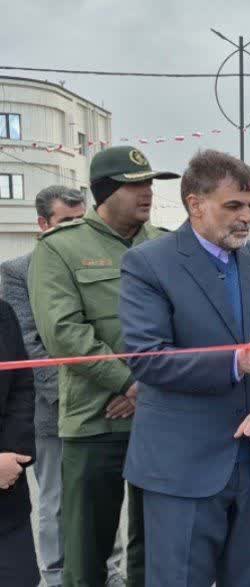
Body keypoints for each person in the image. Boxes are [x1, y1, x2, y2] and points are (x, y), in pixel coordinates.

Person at [119, 149, 250, 585]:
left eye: (249, 205)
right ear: (195, 204)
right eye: (233, 206)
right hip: (182, 468)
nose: (247, 217)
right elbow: (147, 358)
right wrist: (236, 363)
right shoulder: (149, 263)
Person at [30, 146, 179, 587]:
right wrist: (129, 382)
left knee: (155, 544)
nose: (148, 192)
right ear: (105, 191)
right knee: (87, 548)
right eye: (136, 184)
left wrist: (144, 392)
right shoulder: (62, 248)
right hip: (95, 421)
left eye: (150, 183)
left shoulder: (166, 244)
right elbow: (62, 331)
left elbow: (186, 324)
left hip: (159, 417)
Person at [0, 186, 98, 587]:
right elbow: (30, 351)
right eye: (66, 222)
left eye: (82, 221)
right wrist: (82, 392)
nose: (76, 231)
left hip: (103, 406)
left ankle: (104, 571)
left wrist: (110, 391)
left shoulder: (94, 265)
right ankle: (56, 573)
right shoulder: (18, 272)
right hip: (52, 409)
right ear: (43, 225)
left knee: (99, 497)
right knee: (55, 501)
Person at [0, 298, 38, 586]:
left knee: (20, 577)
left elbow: (21, 386)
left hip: (6, 490)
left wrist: (11, 455)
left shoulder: (2, 313)